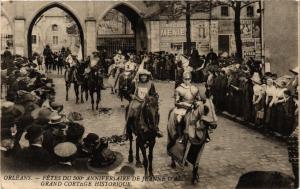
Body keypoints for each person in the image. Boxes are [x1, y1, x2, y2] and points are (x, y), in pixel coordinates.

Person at [125, 69, 163, 138]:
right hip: (137, 100)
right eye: (142, 76)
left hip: (147, 102)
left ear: (147, 76)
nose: (143, 77)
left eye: (145, 76)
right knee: (130, 110)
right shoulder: (135, 83)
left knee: (156, 113)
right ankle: (128, 130)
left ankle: (156, 128)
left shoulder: (150, 84)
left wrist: (154, 97)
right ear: (139, 76)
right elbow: (129, 92)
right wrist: (131, 95)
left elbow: (153, 94)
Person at [173, 71, 201, 143]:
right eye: (185, 79)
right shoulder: (179, 89)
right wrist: (184, 104)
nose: (187, 81)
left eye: (188, 79)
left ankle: (204, 135)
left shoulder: (194, 88)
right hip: (183, 107)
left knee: (202, 117)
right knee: (179, 119)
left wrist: (197, 103)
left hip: (193, 106)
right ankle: (181, 135)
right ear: (183, 79)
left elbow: (198, 98)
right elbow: (177, 102)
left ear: (191, 79)